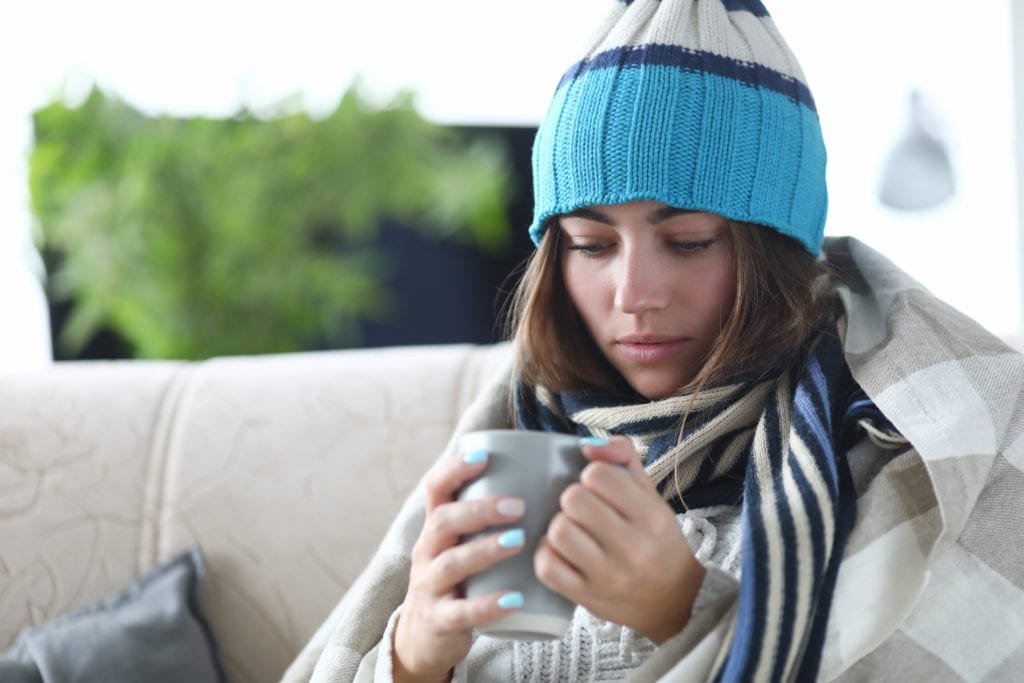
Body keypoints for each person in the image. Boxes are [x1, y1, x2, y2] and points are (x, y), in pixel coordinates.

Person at [283, 1, 1024, 681]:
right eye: (590, 243)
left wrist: (689, 608)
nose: (635, 294)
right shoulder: (517, 424)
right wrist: (414, 655)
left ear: (779, 254)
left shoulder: (921, 446)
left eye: (690, 240)